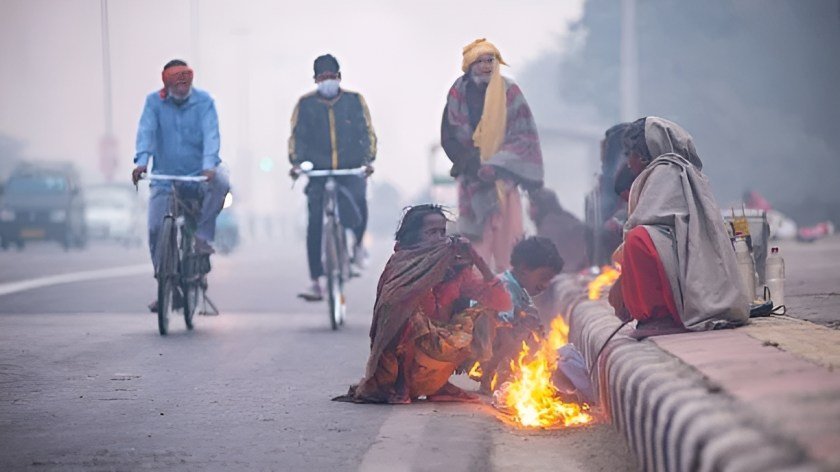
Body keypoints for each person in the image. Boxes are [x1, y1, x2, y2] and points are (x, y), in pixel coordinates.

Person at [337, 204, 511, 404]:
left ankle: (448, 382)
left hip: (439, 356)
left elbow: (501, 302)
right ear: (414, 237)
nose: (439, 238)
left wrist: (476, 258)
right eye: (431, 233)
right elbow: (390, 313)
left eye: (442, 232)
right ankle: (402, 385)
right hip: (397, 368)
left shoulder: (456, 268)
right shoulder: (402, 264)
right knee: (407, 313)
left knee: (487, 314)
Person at [608, 117, 749, 338]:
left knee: (638, 240)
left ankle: (660, 316)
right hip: (680, 259)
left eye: (629, 154)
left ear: (644, 155)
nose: (628, 163)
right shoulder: (671, 171)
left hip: (683, 268)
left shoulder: (666, 172)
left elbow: (642, 226)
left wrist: (621, 281)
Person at [131, 59, 230, 312]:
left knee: (222, 180)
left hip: (198, 177)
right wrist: (142, 162)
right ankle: (165, 283)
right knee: (155, 228)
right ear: (166, 83)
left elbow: (211, 135)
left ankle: (202, 236)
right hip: (165, 179)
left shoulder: (204, 102)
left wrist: (209, 165)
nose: (182, 89)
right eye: (177, 84)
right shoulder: (154, 104)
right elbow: (147, 133)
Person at [441, 38, 544, 273]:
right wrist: (473, 164)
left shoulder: (510, 92)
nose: (487, 65)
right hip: (472, 183)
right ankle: (478, 302)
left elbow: (524, 135)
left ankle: (510, 302)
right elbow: (450, 137)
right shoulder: (458, 93)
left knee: (511, 249)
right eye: (481, 61)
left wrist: (497, 165)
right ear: (469, 65)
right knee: (475, 251)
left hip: (504, 183)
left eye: (491, 60)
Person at [289, 54, 376, 301]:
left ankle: (357, 247)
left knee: (359, 201)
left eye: (332, 77)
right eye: (322, 78)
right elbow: (297, 137)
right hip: (317, 171)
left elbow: (367, 132)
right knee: (314, 221)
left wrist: (368, 161)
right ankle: (316, 280)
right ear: (316, 80)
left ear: (339, 77)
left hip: (349, 169)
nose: (327, 82)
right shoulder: (305, 105)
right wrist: (296, 163)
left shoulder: (354, 101)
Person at [478, 236, 564, 392]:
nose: (545, 285)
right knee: (517, 338)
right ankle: (489, 378)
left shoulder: (517, 287)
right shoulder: (505, 287)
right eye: (543, 278)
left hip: (497, 341)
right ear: (524, 269)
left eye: (549, 280)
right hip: (486, 343)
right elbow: (501, 330)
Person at [529, 189, 588, 274]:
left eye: (532, 205)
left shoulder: (549, 227)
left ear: (541, 206)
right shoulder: (566, 218)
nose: (529, 210)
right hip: (576, 271)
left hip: (568, 275)